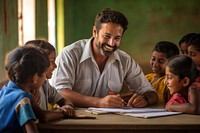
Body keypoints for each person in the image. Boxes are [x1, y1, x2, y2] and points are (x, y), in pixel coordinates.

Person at [51, 8, 158, 108]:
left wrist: (145, 99)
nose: (111, 43)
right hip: (70, 120)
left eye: (117, 38)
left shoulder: (125, 60)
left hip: (109, 122)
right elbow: (60, 92)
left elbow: (151, 93)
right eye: (107, 36)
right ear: (94, 32)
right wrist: (98, 102)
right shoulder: (70, 54)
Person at [0, 46, 49, 133]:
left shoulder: (4, 91)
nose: (45, 79)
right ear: (35, 77)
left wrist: (64, 113)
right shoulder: (23, 99)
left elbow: (42, 115)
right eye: (45, 75)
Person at [25, 40, 75, 114]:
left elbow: (64, 100)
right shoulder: (24, 91)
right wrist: (62, 113)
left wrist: (67, 107)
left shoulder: (44, 84)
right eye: (52, 61)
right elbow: (43, 116)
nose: (55, 66)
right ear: (39, 63)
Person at [146, 41, 179, 105]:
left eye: (161, 61)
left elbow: (170, 104)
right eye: (153, 59)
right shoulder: (148, 78)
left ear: (172, 62)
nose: (155, 64)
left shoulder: (168, 82)